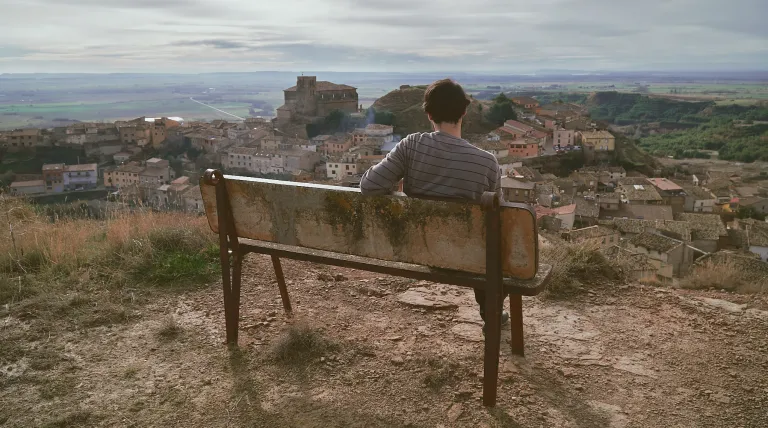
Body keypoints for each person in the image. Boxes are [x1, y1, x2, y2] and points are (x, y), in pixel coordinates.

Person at [359, 78, 508, 332]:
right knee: (492, 242)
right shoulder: (487, 162)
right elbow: (501, 218)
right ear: (464, 112)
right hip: (469, 256)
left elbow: (369, 185)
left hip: (422, 249)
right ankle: (490, 311)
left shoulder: (410, 146)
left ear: (429, 114)